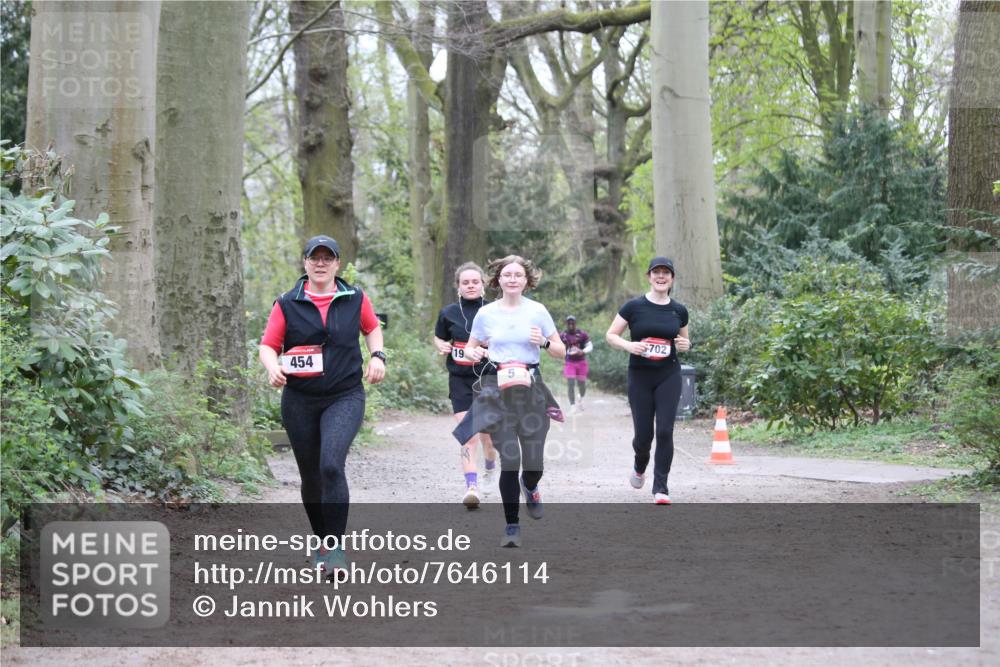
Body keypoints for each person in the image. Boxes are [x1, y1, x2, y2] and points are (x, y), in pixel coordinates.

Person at [259, 235, 386, 572]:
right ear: (305, 263)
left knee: (331, 464)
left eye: (327, 258)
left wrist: (378, 356)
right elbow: (268, 345)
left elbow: (372, 328)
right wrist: (273, 367)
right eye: (314, 257)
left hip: (344, 395)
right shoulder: (287, 302)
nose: (320, 263)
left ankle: (336, 550)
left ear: (336, 264)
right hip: (299, 400)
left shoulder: (354, 297)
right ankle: (322, 542)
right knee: (311, 476)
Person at [457, 255, 565, 547]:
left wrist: (543, 342)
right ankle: (512, 527)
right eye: (507, 274)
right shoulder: (486, 314)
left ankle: (530, 487)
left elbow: (561, 351)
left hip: (531, 388)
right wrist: (475, 353)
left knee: (533, 464)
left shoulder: (538, 311)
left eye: (518, 275)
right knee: (510, 460)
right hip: (497, 387)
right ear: (499, 280)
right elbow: (469, 349)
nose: (513, 279)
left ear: (527, 280)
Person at [605, 256, 690, 505]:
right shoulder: (633, 307)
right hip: (640, 375)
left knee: (665, 431)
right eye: (656, 272)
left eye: (666, 273)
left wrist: (686, 344)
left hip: (669, 374)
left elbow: (683, 342)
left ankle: (661, 487)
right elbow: (611, 335)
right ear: (649, 276)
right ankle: (639, 464)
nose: (661, 276)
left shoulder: (679, 310)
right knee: (643, 437)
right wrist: (629, 345)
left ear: (672, 279)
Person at [433, 261, 498, 509]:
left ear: (483, 285)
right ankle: (471, 487)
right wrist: (440, 345)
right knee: (467, 435)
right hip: (459, 379)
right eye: (465, 282)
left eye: (475, 282)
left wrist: (489, 348)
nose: (470, 285)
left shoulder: (494, 311)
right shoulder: (448, 312)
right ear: (458, 287)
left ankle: (490, 468)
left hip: (488, 379)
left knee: (488, 437)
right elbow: (439, 336)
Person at [560, 315, 592, 412]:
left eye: (572, 323)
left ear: (575, 323)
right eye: (569, 323)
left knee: (581, 384)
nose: (570, 325)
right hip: (570, 362)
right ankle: (572, 406)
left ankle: (580, 397)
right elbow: (557, 345)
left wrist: (582, 351)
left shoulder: (582, 334)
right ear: (566, 324)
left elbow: (590, 346)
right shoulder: (563, 335)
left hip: (581, 361)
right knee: (570, 383)